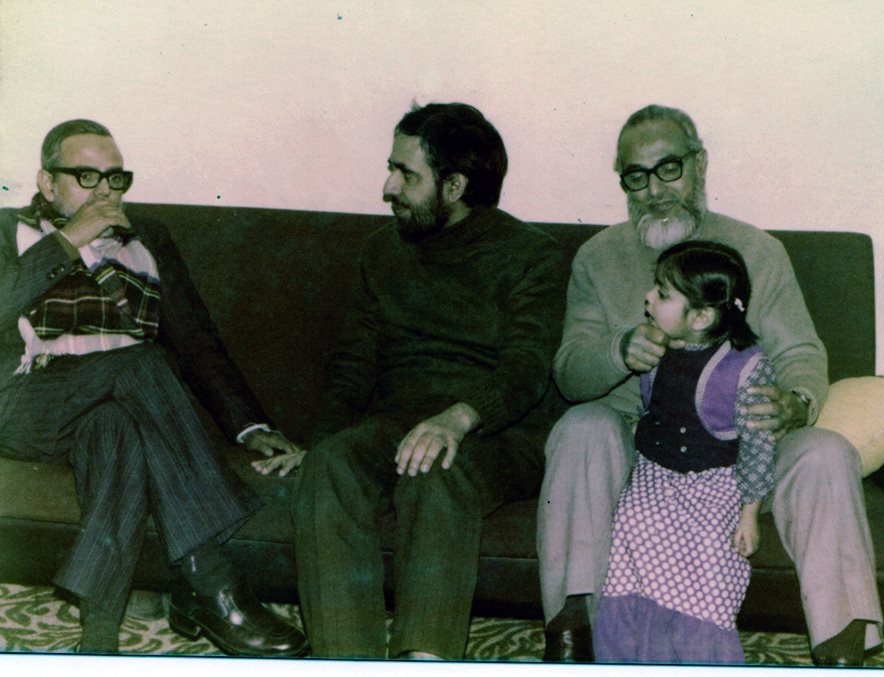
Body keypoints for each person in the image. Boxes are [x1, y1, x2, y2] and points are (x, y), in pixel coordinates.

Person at [537, 104, 882, 666]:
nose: (654, 189)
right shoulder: (597, 259)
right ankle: (574, 630)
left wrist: (793, 403)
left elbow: (800, 352)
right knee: (581, 426)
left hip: (740, 450)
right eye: (636, 176)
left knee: (825, 451)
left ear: (700, 164)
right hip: (638, 448)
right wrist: (617, 351)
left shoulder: (758, 251)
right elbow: (570, 370)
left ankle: (843, 649)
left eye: (668, 168)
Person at [254, 102, 564, 659]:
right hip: (399, 424)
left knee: (435, 468)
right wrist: (319, 443)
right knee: (329, 465)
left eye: (406, 174)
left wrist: (457, 419)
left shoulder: (530, 255)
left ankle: (425, 658)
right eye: (391, 168)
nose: (387, 187)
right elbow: (354, 362)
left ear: (455, 185)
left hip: (499, 433)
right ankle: (346, 660)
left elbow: (528, 369)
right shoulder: (382, 252)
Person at [0, 119, 307, 656]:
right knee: (140, 362)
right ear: (48, 183)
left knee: (114, 428)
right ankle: (212, 579)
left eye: (116, 179)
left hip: (116, 399)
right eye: (86, 176)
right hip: (27, 399)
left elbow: (194, 339)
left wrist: (250, 425)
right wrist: (70, 240)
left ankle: (98, 638)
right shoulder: (7, 231)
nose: (105, 192)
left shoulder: (148, 238)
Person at [592, 240, 775, 663]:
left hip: (716, 479)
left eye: (662, 293)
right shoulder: (658, 344)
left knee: (711, 551)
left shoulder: (744, 367)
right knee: (633, 525)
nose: (648, 297)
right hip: (655, 471)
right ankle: (631, 656)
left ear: (701, 317)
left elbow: (758, 444)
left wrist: (749, 512)